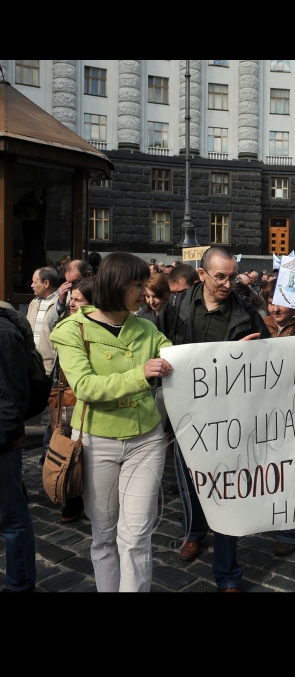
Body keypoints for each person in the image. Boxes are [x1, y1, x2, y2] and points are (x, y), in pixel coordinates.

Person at [50, 253, 172, 592]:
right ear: (116, 286)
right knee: (104, 536)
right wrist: (139, 374)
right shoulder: (72, 330)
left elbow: (180, 360)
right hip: (95, 441)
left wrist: (229, 355)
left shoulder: (146, 327)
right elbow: (85, 387)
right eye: (137, 285)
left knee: (136, 537)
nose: (144, 292)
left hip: (145, 441)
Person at [169, 247, 270, 592]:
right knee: (191, 483)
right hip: (186, 415)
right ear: (202, 274)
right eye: (220, 277)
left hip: (229, 418)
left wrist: (253, 355)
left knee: (226, 491)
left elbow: (268, 363)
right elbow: (156, 347)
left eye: (232, 276)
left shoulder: (247, 314)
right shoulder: (175, 307)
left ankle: (228, 573)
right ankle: (195, 531)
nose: (228, 283)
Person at [261, 279, 295, 557]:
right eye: (270, 301)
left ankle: (288, 531)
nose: (274, 307)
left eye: (280, 301)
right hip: (265, 410)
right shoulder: (261, 325)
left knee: (292, 472)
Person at [50, 281, 93, 524]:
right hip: (65, 395)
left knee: (81, 451)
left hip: (81, 397)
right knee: (66, 448)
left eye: (79, 299)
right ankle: (70, 500)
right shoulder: (65, 323)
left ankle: (79, 501)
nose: (73, 303)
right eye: (72, 299)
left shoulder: (90, 329)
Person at [0, 304, 34, 592]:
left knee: (11, 518)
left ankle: (20, 584)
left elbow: (14, 396)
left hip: (2, 443)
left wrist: (5, 441)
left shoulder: (4, 331)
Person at [43, 260, 94, 336]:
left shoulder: (102, 295)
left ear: (89, 275)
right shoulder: (66, 294)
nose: (70, 286)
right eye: (68, 282)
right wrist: (61, 303)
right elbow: (50, 325)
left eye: (75, 282)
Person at [27, 267, 60, 373]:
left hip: (51, 367)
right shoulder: (34, 302)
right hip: (32, 363)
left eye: (35, 282)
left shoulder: (63, 302)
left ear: (46, 283)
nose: (32, 285)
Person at [156, 264, 199, 342]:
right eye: (173, 292)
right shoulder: (170, 305)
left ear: (196, 284)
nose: (176, 296)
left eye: (181, 292)